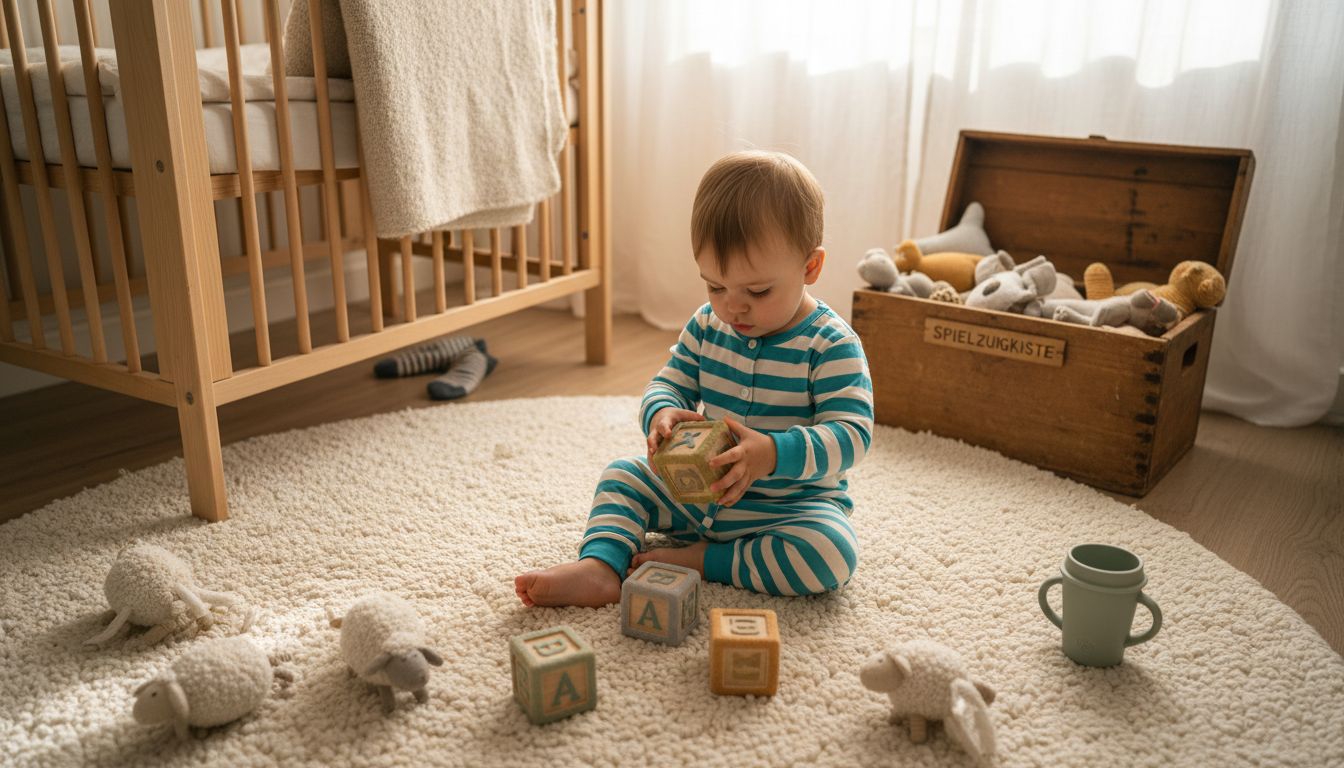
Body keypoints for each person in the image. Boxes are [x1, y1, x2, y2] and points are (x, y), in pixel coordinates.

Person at [515, 150, 873, 607]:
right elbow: (668, 383)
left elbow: (853, 435)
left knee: (831, 554)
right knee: (623, 476)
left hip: (785, 511)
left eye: (757, 291)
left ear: (810, 267)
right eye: (715, 286)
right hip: (695, 496)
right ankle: (601, 567)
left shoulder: (830, 344)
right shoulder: (708, 326)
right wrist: (661, 413)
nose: (733, 307)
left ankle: (703, 561)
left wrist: (772, 454)